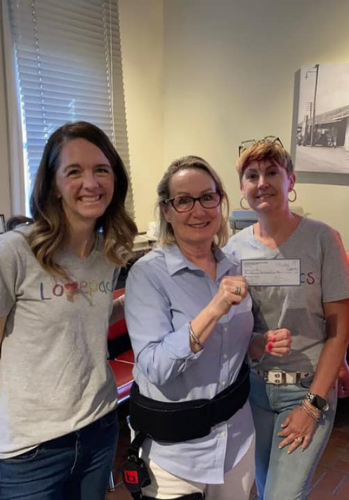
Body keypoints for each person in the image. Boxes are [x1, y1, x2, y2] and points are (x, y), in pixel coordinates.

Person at [124, 155, 291, 500]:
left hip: (236, 441)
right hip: (175, 453)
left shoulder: (233, 266)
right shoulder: (148, 274)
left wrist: (258, 344)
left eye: (207, 197)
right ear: (167, 211)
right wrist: (213, 309)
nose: (198, 210)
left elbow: (231, 349)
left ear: (220, 202)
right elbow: (155, 367)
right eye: (183, 200)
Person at [0, 121, 137, 499]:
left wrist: (132, 302)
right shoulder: (14, 251)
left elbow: (84, 316)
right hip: (30, 449)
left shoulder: (108, 252)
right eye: (74, 171)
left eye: (101, 170)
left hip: (98, 427)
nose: (90, 183)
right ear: (53, 184)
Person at [225, 137, 349, 500]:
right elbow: (231, 328)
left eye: (272, 172)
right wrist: (257, 343)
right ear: (242, 188)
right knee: (265, 486)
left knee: (283, 495)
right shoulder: (233, 250)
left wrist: (312, 406)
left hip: (306, 389)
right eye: (252, 175)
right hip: (254, 391)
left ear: (291, 180)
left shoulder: (322, 239)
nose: (262, 183)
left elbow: (339, 330)